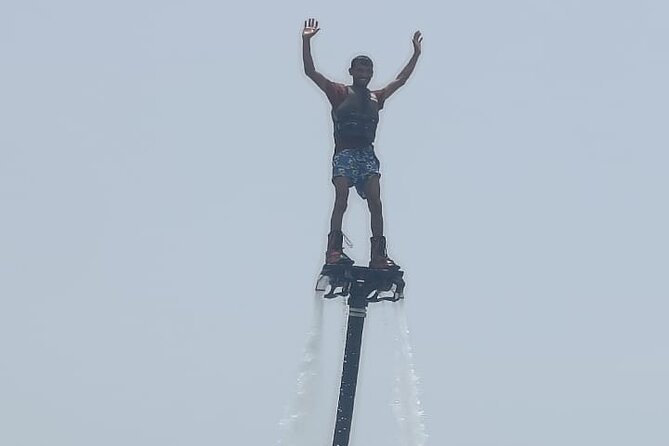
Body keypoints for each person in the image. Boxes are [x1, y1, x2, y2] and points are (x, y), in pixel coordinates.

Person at [302, 18, 422, 269]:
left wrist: (415, 54)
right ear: (352, 72)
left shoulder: (376, 97)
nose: (364, 74)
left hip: (366, 155)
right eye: (360, 70)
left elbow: (400, 81)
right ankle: (333, 250)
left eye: (368, 71)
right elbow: (311, 73)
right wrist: (306, 41)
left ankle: (378, 255)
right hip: (345, 154)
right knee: (342, 198)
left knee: (376, 202)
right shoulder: (339, 92)